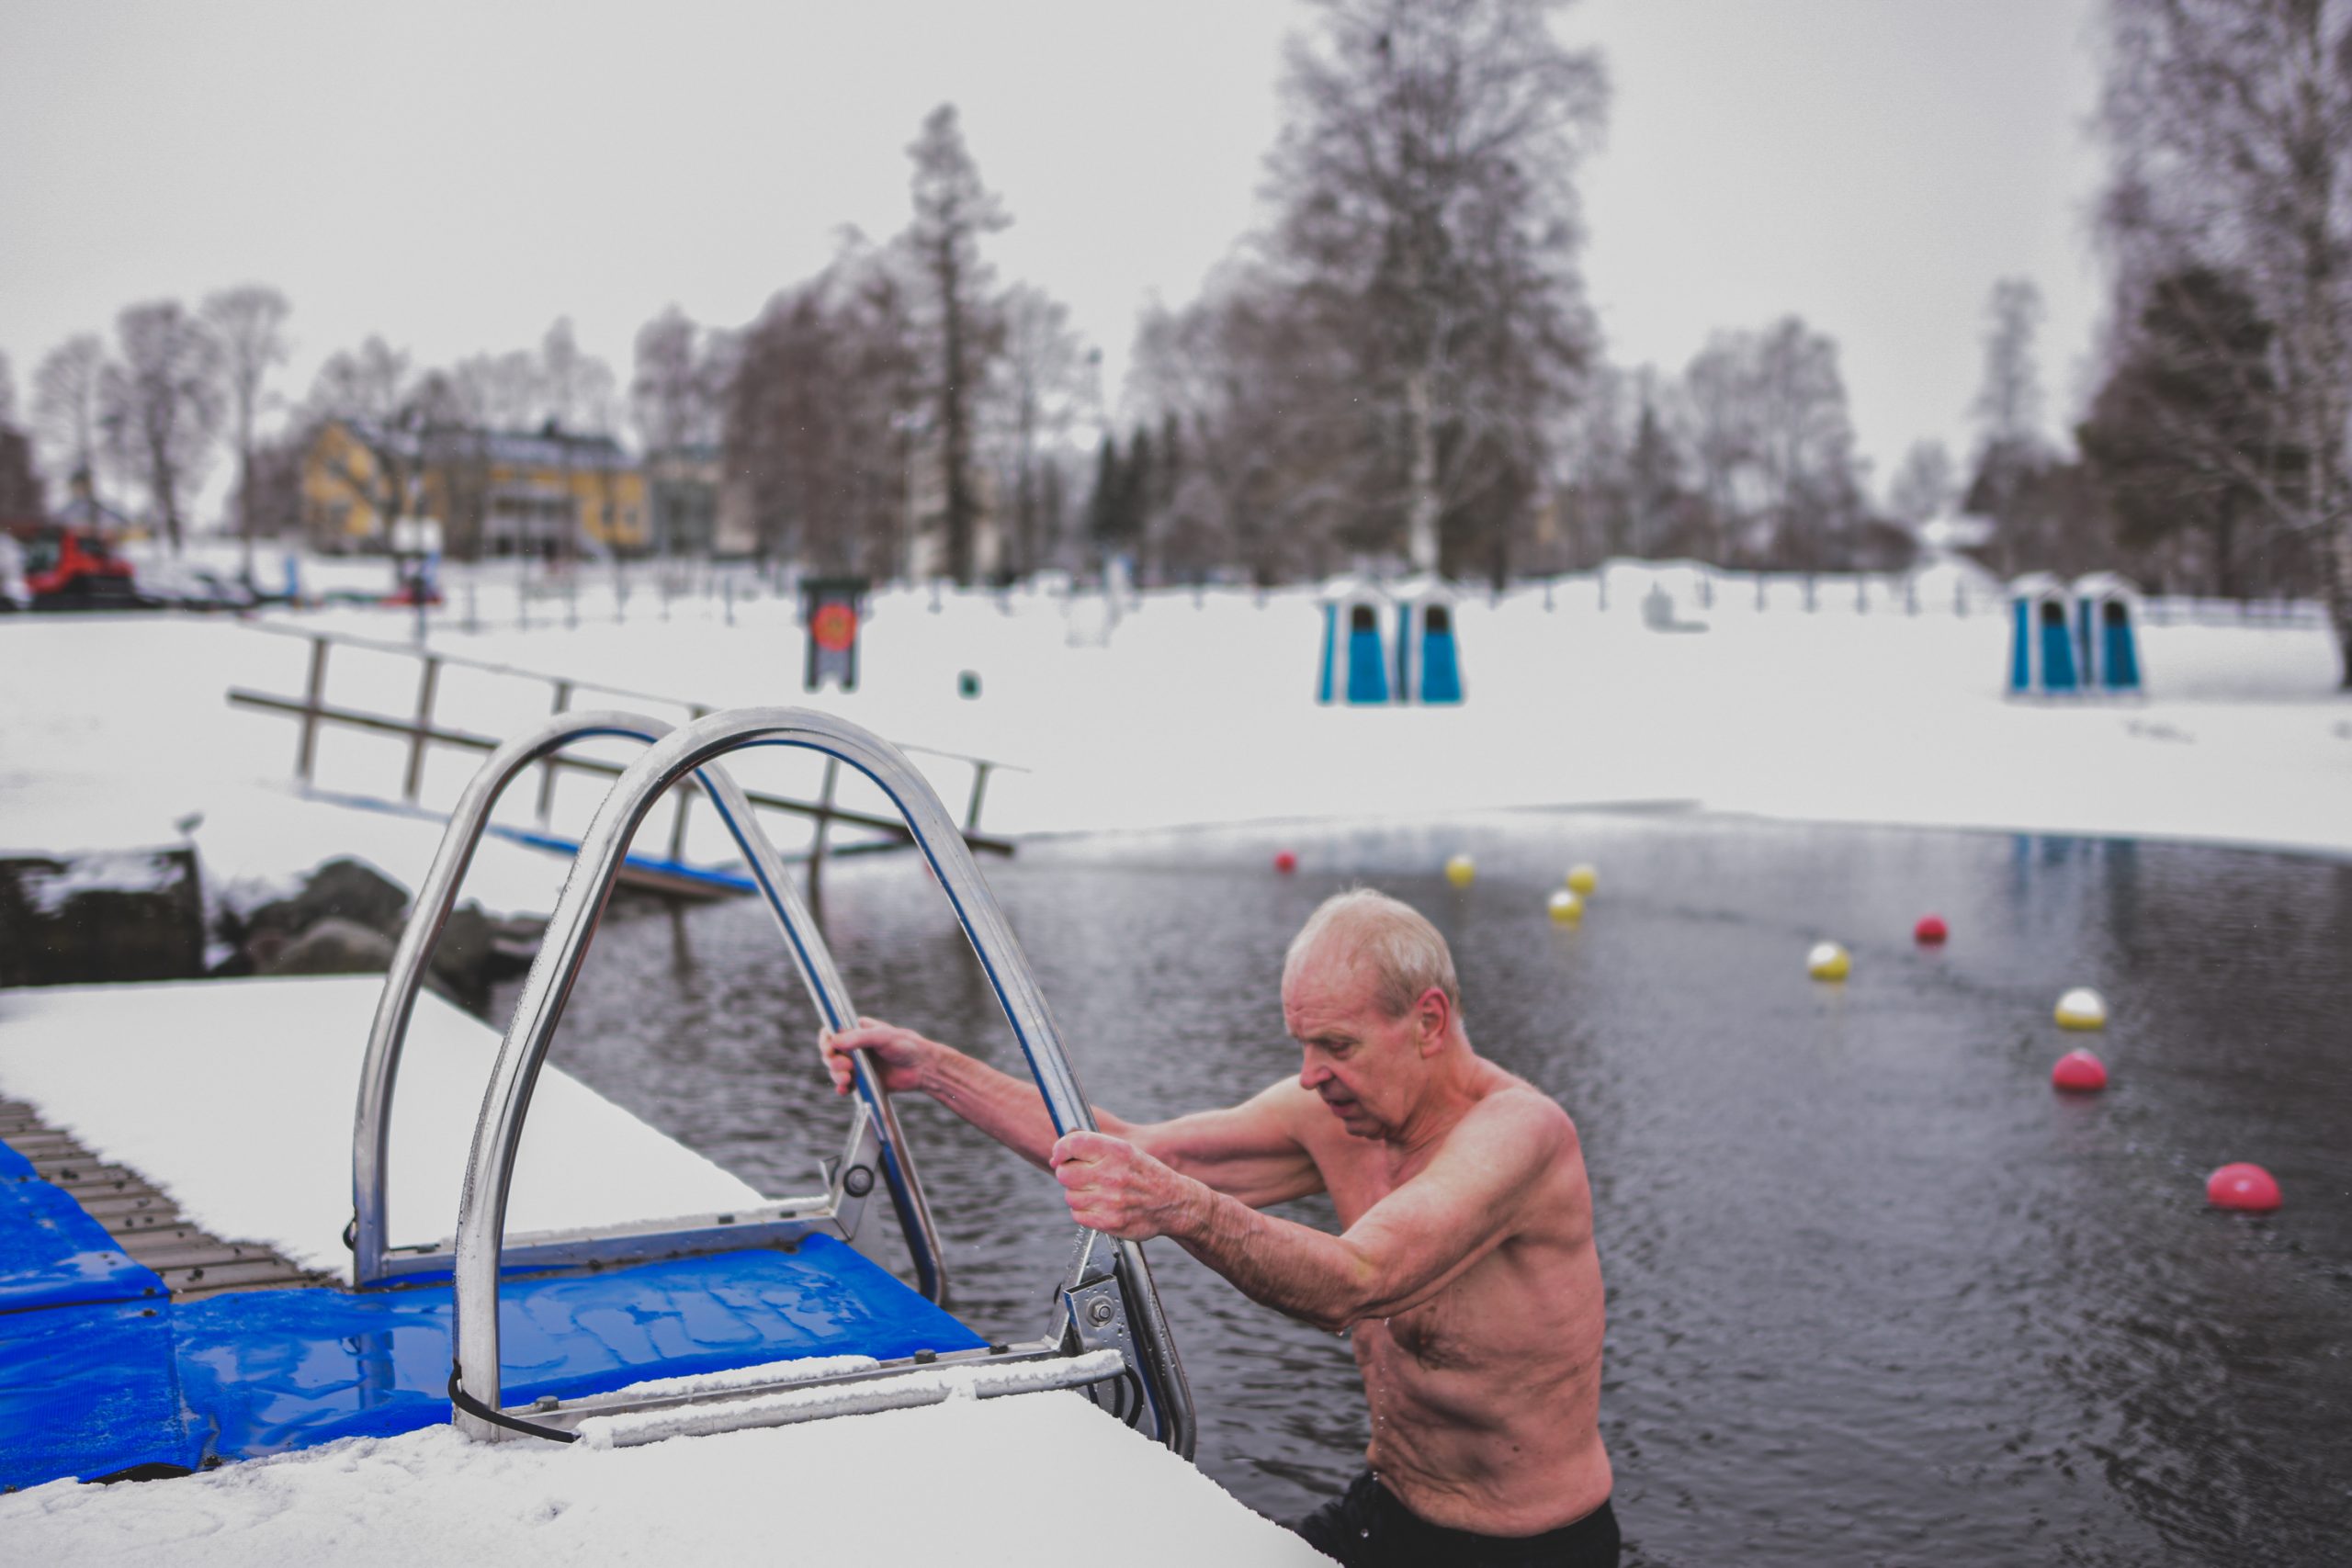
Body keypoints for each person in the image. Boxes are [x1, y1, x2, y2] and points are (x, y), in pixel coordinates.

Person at [820, 887, 1617, 1568]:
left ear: (1429, 1021)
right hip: (1389, 1507)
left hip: (1529, 1546)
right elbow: (1137, 1150)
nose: (1310, 1076)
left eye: (1336, 1045)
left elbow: (1357, 1281)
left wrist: (1184, 1208)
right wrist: (930, 1069)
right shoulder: (1339, 1112)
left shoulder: (1520, 1137)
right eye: (1302, 1044)